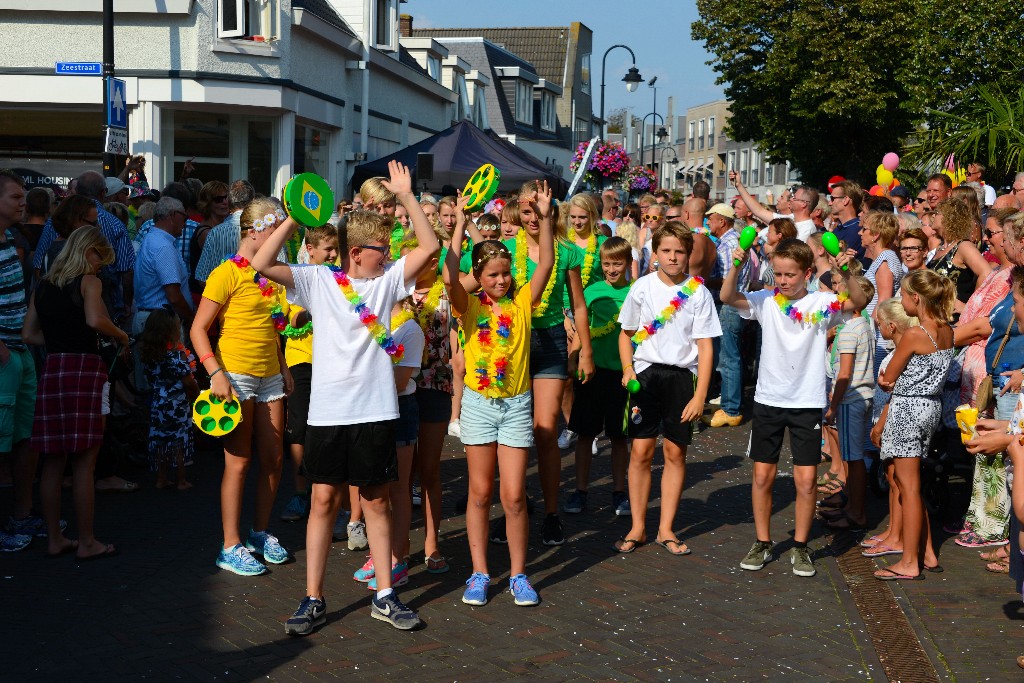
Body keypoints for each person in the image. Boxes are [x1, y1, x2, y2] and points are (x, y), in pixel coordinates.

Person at [251, 160, 439, 634]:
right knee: (322, 503)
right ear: (356, 253)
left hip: (376, 411)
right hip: (329, 413)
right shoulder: (320, 282)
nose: (389, 254)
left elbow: (431, 245)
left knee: (377, 503)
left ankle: (385, 594)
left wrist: (407, 196)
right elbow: (261, 263)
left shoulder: (388, 282)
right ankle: (313, 597)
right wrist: (295, 216)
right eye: (381, 249)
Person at [724, 238, 865, 577]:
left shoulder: (823, 301)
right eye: (778, 274)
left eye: (790, 275)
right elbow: (727, 297)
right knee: (762, 475)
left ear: (806, 273)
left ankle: (800, 547)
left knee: (805, 481)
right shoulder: (765, 300)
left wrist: (842, 269)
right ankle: (762, 541)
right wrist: (736, 265)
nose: (783, 281)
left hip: (806, 401)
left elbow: (858, 301)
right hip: (769, 400)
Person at [445, 180, 554, 607]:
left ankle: (520, 574)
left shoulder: (522, 303)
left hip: (515, 405)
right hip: (477, 403)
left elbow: (544, 263)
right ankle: (479, 572)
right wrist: (458, 223)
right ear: (480, 276)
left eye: (506, 273)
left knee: (512, 495)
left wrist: (544, 218)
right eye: (493, 275)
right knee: (480, 492)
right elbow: (450, 275)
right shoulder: (468, 307)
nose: (502, 280)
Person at [191, 198, 295, 578]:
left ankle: (261, 532)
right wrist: (215, 373)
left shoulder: (273, 273)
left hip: (270, 376)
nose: (280, 238)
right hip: (235, 376)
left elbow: (275, 326)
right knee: (238, 463)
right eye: (276, 229)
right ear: (254, 231)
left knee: (274, 458)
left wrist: (283, 365)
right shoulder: (226, 273)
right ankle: (230, 544)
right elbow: (198, 329)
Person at [23, 226, 130, 559]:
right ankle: (86, 541)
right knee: (85, 460)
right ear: (89, 252)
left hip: (54, 369)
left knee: (54, 460)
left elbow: (28, 334)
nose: (101, 267)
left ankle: (55, 538)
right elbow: (95, 319)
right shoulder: (89, 281)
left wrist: (59, 343)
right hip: (85, 369)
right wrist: (121, 336)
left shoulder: (43, 285)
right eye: (101, 260)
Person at [497, 180, 594, 547]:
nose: (534, 217)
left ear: (552, 211)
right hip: (514, 344)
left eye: (541, 210)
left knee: (545, 430)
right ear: (518, 215)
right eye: (527, 211)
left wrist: (584, 350)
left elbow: (579, 304)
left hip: (552, 341)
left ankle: (552, 513)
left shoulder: (566, 251)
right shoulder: (505, 250)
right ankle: (515, 508)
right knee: (513, 434)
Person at [616, 221, 720, 556]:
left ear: (689, 254)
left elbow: (706, 347)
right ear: (655, 253)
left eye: (679, 252)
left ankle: (665, 528)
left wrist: (700, 395)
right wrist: (628, 367)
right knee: (642, 452)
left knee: (675, 452)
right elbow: (626, 333)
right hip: (645, 375)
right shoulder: (642, 287)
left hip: (681, 379)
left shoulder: (699, 292)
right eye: (666, 251)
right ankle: (637, 526)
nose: (673, 258)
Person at [873, 270, 955, 581]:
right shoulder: (946, 330)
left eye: (905, 294)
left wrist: (887, 382)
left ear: (916, 298)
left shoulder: (914, 334)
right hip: (931, 407)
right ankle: (929, 554)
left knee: (909, 487)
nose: (902, 300)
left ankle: (909, 561)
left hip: (907, 408)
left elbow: (888, 376)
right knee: (913, 485)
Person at [356, 294, 424, 591]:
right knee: (372, 487)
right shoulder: (368, 322)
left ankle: (399, 557)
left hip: (398, 409)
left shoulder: (410, 330)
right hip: (369, 409)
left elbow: (398, 382)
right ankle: (380, 552)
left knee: (398, 488)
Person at [562, 237, 633, 517]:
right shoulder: (591, 291)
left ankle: (619, 492)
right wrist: (573, 356)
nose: (612, 269)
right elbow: (581, 329)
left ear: (628, 263)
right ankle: (580, 491)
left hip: (623, 373)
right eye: (607, 264)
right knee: (585, 433)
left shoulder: (635, 291)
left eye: (618, 263)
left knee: (619, 436)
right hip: (593, 373)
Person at [279, 225, 340, 525]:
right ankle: (301, 492)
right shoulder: (296, 277)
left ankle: (328, 492)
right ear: (311, 249)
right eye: (327, 249)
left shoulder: (342, 277)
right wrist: (311, 310)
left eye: (335, 249)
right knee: (299, 427)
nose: (332, 255)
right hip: (301, 359)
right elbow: (290, 318)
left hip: (333, 361)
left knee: (330, 428)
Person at [862, 297, 919, 560]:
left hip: (893, 419)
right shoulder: (895, 351)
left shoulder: (901, 354)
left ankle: (898, 535)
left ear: (892, 326)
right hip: (887, 417)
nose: (878, 329)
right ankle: (893, 529)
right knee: (891, 477)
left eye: (880, 324)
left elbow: (896, 394)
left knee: (898, 480)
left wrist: (880, 426)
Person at [0, 170, 39, 551]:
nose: (22, 201)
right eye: (14, 196)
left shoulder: (11, 240)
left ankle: (22, 515)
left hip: (19, 352)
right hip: (6, 357)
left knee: (25, 437)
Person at [819, 276, 875, 531]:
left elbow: (844, 374)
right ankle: (852, 505)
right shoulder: (864, 323)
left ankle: (857, 512)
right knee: (853, 457)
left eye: (843, 296)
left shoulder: (851, 329)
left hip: (852, 399)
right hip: (862, 397)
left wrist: (833, 406)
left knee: (853, 459)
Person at [558, 194, 606, 449]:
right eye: (573, 217)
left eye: (582, 217)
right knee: (566, 374)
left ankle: (591, 429)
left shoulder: (602, 243)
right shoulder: (562, 243)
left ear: (592, 217)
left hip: (594, 313)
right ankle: (571, 425)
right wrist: (566, 317)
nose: (577, 222)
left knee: (589, 376)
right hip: (565, 313)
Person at [139, 308, 199, 490]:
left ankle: (161, 479)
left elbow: (151, 378)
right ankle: (181, 480)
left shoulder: (149, 355)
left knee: (161, 440)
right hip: (177, 404)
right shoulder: (177, 356)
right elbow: (188, 381)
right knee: (178, 441)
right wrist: (198, 393)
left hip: (158, 403)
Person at [927, 198, 992, 317]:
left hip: (955, 321)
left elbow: (986, 272)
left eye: (937, 213)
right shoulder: (940, 248)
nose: (933, 216)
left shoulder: (963, 246)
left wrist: (969, 306)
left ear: (948, 218)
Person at [193, 180, 257, 285]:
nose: (224, 202)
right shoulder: (263, 229)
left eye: (225, 198)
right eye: (218, 199)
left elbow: (203, 278)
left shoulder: (215, 232)